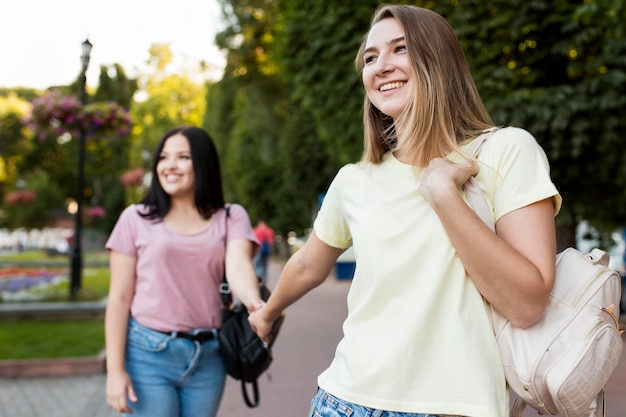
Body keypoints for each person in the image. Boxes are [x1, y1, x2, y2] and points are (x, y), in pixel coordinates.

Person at [249, 5, 562, 417]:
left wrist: (444, 195)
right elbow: (308, 264)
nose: (381, 66)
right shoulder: (354, 179)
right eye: (370, 57)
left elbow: (528, 304)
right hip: (345, 402)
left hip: (458, 408)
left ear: (438, 59)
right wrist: (267, 314)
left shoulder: (506, 151)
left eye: (400, 49)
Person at [104, 126, 263, 417]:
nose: (169, 166)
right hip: (147, 354)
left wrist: (254, 302)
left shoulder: (230, 216)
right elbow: (119, 298)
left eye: (182, 157)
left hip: (210, 355)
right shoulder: (134, 218)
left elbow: (238, 264)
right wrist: (115, 371)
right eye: (163, 157)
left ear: (203, 163)